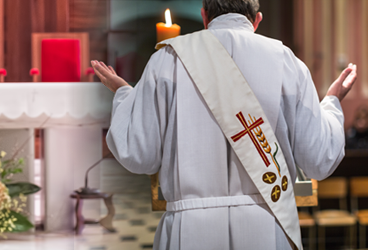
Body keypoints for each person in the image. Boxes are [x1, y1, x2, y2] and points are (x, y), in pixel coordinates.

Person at [91, 0, 357, 249]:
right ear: (257, 20)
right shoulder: (286, 61)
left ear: (205, 16)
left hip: (190, 231)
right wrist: (332, 101)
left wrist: (126, 94)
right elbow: (319, 159)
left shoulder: (168, 59)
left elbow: (139, 155)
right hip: (267, 226)